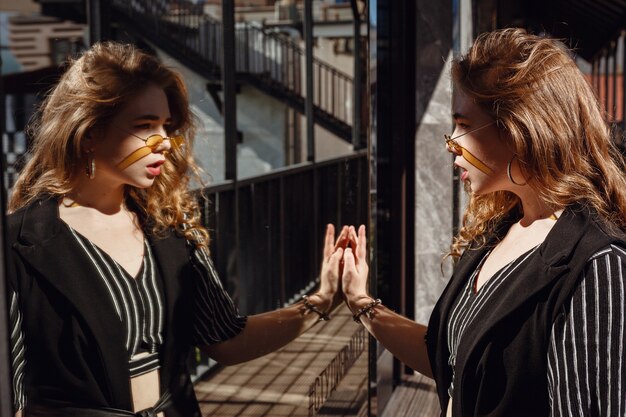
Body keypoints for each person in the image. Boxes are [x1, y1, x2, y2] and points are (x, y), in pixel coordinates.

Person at [6, 41, 349, 417]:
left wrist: (322, 299)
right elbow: (12, 393)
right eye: (145, 126)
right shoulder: (20, 244)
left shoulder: (169, 225)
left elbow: (227, 339)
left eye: (167, 126)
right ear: (88, 131)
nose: (166, 142)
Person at [341, 28, 626, 417]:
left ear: (521, 129)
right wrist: (361, 302)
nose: (450, 142)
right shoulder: (502, 227)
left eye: (463, 124)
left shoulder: (595, 265)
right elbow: (453, 360)